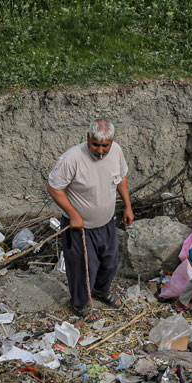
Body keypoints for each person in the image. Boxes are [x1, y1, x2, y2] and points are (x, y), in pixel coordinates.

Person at [46, 119, 134, 321]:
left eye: (105, 145)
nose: (101, 151)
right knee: (84, 268)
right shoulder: (71, 159)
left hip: (107, 223)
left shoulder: (116, 152)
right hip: (80, 228)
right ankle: (80, 303)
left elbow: (121, 178)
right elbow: (54, 187)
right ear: (87, 138)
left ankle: (101, 291)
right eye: (96, 145)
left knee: (110, 262)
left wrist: (128, 206)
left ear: (112, 142)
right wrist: (73, 214)